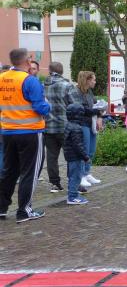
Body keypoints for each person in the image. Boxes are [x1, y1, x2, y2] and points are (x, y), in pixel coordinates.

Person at [0, 48, 50, 222]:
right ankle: (24, 211)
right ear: (27, 61)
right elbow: (40, 107)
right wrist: (48, 106)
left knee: (9, 171)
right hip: (30, 131)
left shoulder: (2, 78)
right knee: (30, 172)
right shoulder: (30, 80)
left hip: (7, 131)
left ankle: (1, 208)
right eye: (30, 58)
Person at [42, 62, 77, 193]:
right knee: (71, 155)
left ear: (49, 70)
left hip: (48, 126)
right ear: (61, 71)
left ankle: (55, 183)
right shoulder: (67, 85)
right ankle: (73, 182)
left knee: (51, 156)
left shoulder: (42, 86)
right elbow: (75, 105)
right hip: (65, 126)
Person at [75, 71, 104, 189]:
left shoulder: (90, 92)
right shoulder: (77, 92)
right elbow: (82, 109)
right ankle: (81, 175)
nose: (95, 82)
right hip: (82, 123)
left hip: (91, 123)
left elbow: (96, 105)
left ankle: (87, 173)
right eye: (93, 80)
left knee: (91, 150)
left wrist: (100, 116)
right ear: (87, 80)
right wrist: (97, 111)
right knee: (84, 150)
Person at [64, 103, 91, 205]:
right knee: (76, 177)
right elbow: (78, 145)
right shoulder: (77, 128)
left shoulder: (68, 125)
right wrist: (85, 157)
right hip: (75, 157)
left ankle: (72, 194)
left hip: (69, 155)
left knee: (71, 176)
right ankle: (72, 197)